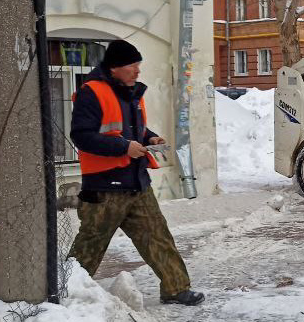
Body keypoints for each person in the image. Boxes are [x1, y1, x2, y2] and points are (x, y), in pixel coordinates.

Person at [67, 39, 204, 306]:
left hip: (136, 183)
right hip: (104, 189)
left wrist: (150, 138)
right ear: (115, 67)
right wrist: (123, 147)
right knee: (89, 247)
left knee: (158, 236)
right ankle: (65, 293)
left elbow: (133, 132)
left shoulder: (130, 93)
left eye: (138, 65)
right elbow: (82, 136)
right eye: (132, 65)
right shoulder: (91, 92)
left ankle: (176, 288)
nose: (137, 71)